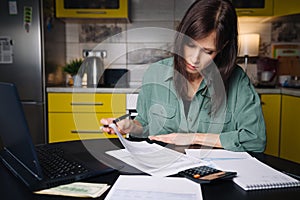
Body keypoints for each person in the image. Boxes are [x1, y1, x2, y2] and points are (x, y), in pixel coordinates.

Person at [101, 0, 266, 152]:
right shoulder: (155, 73)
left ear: (223, 47)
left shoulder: (237, 80)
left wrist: (194, 138)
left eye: (207, 51)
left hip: (215, 175)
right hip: (164, 170)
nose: (194, 59)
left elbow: (255, 140)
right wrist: (130, 126)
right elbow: (145, 125)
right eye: (190, 45)